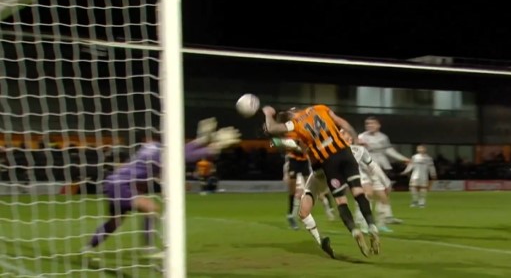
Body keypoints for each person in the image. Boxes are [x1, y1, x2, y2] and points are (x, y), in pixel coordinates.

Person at [82, 118, 241, 261]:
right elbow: (185, 156)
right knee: (151, 209)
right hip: (123, 185)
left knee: (114, 223)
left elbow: (182, 151)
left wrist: (203, 139)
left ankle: (88, 248)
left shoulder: (152, 147)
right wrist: (215, 146)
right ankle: (148, 248)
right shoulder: (160, 152)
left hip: (115, 183)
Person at [263, 105, 380, 257]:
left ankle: (343, 233)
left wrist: (269, 125)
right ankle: (371, 225)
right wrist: (356, 138)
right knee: (358, 192)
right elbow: (343, 123)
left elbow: (281, 140)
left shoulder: (295, 126)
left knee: (310, 210)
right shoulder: (319, 108)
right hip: (344, 155)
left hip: (323, 169)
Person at [339, 129, 394, 233]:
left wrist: (385, 180)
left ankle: (367, 223)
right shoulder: (335, 151)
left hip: (361, 175)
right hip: (342, 177)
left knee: (372, 195)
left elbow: (373, 165)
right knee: (352, 198)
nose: (342, 136)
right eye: (340, 134)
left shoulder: (359, 150)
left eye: (344, 134)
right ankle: (361, 221)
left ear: (351, 139)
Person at [358, 116, 408, 223]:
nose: (370, 125)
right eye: (368, 124)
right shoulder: (361, 137)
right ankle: (362, 217)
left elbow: (389, 151)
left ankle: (386, 216)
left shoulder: (383, 137)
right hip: (366, 167)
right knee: (368, 192)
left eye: (372, 123)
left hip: (380, 166)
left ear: (378, 125)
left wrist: (403, 158)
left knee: (386, 190)